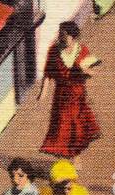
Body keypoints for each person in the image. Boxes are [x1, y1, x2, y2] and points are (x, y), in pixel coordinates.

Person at [38, 21, 102, 158]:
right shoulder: (54, 51)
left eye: (64, 35)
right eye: (60, 34)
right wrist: (42, 93)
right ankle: (63, 157)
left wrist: (86, 71)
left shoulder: (83, 50)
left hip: (78, 94)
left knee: (77, 127)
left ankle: (76, 156)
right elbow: (48, 73)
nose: (60, 37)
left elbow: (92, 72)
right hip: (61, 95)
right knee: (62, 127)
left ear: (72, 36)